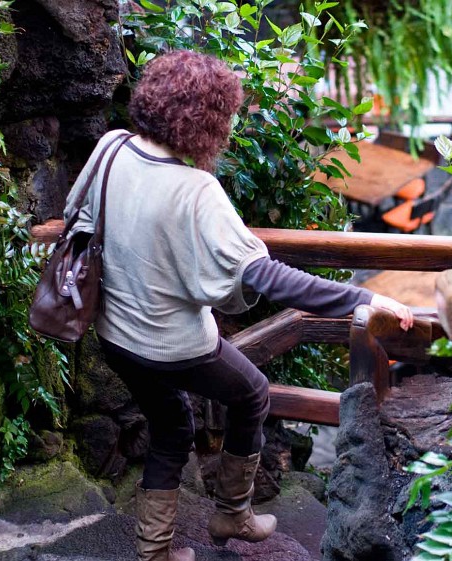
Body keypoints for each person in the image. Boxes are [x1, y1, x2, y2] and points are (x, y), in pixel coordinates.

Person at [64, 50, 414, 561]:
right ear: (205, 121)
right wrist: (364, 297)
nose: (227, 128)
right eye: (225, 117)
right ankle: (232, 513)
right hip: (173, 344)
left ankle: (155, 553)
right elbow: (266, 276)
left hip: (115, 335)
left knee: (171, 427)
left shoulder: (112, 148)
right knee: (251, 393)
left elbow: (77, 220)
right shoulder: (197, 190)